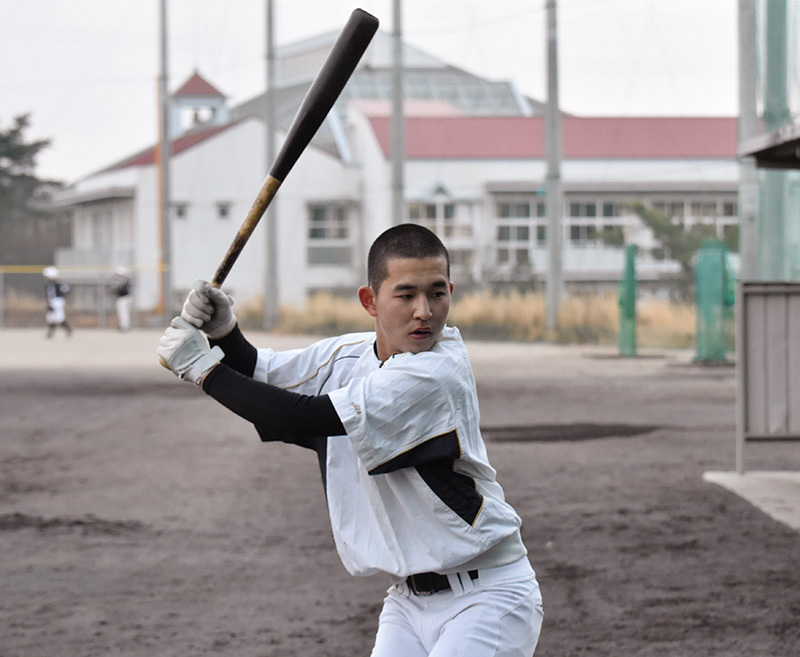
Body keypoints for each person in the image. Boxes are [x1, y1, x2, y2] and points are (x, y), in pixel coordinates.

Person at [157, 223, 544, 656]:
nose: (424, 311)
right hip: (407, 602)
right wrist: (225, 332)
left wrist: (204, 370)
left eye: (437, 293)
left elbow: (301, 417)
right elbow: (261, 373)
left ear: (451, 291)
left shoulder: (435, 372)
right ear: (370, 301)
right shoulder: (349, 354)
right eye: (406, 294)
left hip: (487, 597)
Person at [43, 266, 72, 338]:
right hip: (52, 301)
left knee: (59, 318)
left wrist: (62, 295)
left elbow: (67, 289)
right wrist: (49, 304)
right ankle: (50, 332)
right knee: (51, 318)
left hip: (58, 301)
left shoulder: (57, 284)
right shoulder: (49, 285)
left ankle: (68, 330)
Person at [111, 266, 133, 332]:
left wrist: (118, 286)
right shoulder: (120, 281)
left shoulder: (125, 281)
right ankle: (122, 325)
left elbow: (123, 291)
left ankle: (125, 326)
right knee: (121, 313)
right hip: (121, 299)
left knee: (124, 313)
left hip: (124, 298)